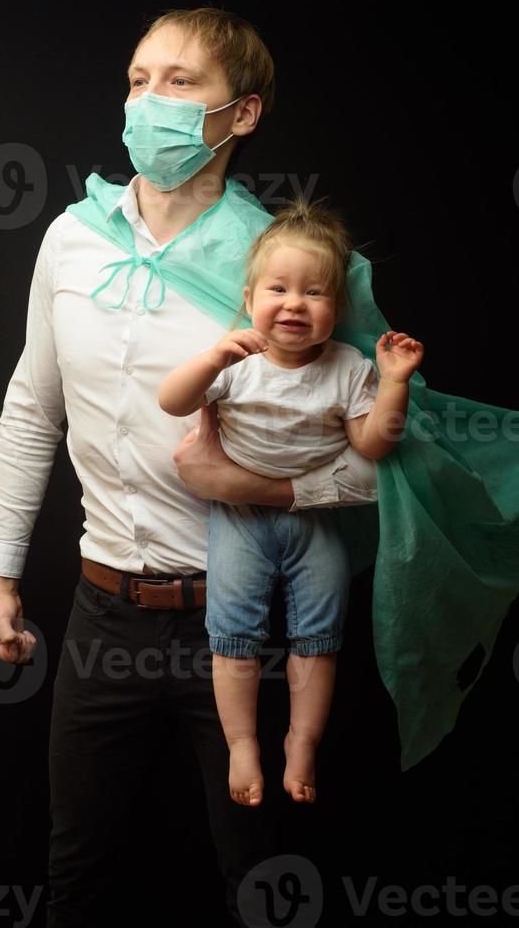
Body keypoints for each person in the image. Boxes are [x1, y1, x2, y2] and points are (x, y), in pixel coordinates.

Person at [0, 7, 380, 928]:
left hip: (246, 617)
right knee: (79, 874)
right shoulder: (71, 239)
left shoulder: (287, 265)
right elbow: (33, 408)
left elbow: (377, 466)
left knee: (267, 880)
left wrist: (262, 489)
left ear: (242, 114)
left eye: (179, 82)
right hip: (102, 610)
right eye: (137, 80)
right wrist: (2, 573)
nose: (148, 101)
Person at [158, 198, 424, 809]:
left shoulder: (347, 366)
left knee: (319, 637)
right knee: (232, 636)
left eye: (315, 293)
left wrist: (395, 383)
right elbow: (172, 403)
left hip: (316, 523)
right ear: (250, 299)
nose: (295, 304)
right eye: (278, 288)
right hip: (240, 520)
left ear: (338, 309)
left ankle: (302, 743)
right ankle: (243, 744)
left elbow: (373, 444)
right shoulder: (238, 359)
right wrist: (210, 359)